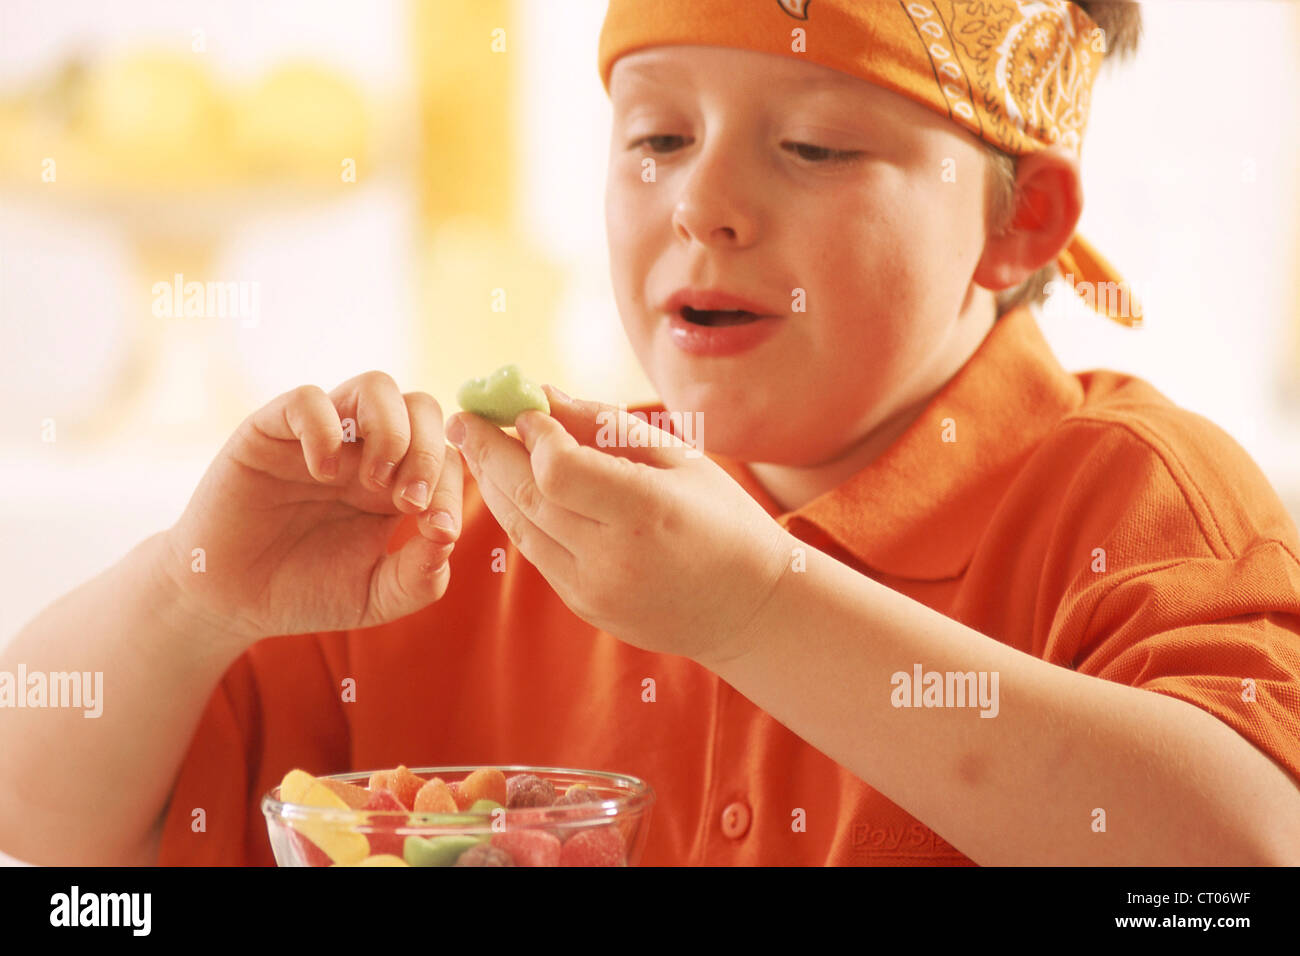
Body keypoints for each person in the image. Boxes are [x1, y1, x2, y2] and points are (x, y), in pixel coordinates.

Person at [3, 0, 1299, 866]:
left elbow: (1245, 852)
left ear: (1018, 223)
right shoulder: (474, 518)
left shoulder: (1135, 504)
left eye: (813, 147)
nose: (703, 204)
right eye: (658, 137)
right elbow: (46, 819)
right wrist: (192, 596)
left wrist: (755, 610)